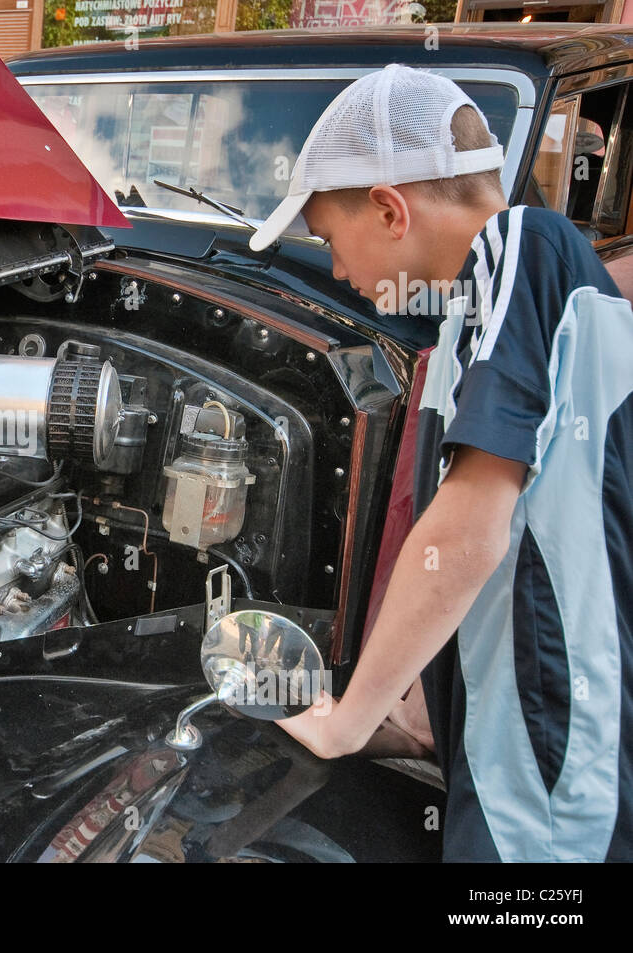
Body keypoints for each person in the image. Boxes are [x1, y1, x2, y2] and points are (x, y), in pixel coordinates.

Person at [248, 64, 633, 862]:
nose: (340, 271)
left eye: (328, 239)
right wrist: (418, 709)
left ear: (390, 209)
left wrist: (345, 720)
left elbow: (468, 531)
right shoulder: (469, 321)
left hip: (552, 769)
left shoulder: (524, 247)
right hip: (514, 750)